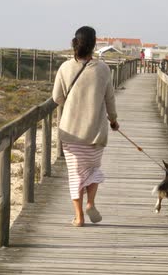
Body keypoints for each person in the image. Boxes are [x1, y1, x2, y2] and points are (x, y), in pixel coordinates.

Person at [52, 26, 119, 227]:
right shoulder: (103, 69)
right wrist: (114, 120)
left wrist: (72, 102)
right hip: (95, 133)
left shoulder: (65, 67)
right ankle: (90, 203)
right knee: (93, 170)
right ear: (94, 44)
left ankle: (79, 217)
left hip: (71, 132)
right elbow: (110, 100)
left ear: (75, 42)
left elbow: (57, 98)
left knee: (75, 174)